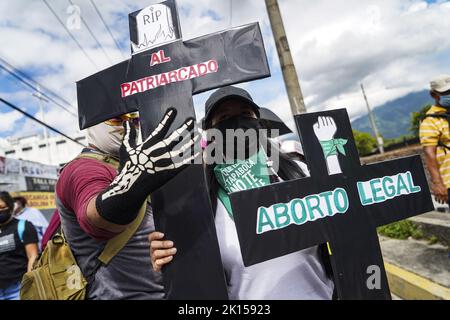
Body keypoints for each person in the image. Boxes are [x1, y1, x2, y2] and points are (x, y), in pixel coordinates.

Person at [150, 86, 335, 300]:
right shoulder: (200, 204)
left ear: (259, 122)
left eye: (245, 114)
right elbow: (192, 276)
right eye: (224, 117)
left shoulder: (297, 173)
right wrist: (168, 259)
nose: (237, 123)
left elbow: (348, 204)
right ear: (210, 133)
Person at [55, 110, 196, 300]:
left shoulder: (135, 160)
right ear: (92, 124)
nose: (126, 126)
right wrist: (131, 181)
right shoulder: (82, 169)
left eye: (134, 120)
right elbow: (96, 221)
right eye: (116, 119)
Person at [0, 191, 39, 300]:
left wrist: (29, 284)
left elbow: (33, 256)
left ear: (10, 207)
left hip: (18, 289)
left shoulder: (24, 226)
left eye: (2, 207)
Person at [420, 75, 450, 204]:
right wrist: (437, 184)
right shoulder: (430, 121)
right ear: (434, 95)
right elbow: (429, 153)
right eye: (446, 93)